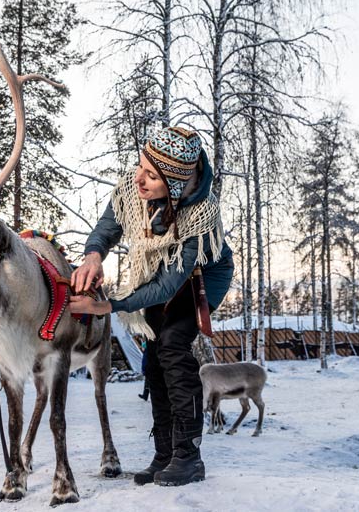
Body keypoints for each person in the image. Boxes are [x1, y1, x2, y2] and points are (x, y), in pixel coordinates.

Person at [70, 126, 234, 487]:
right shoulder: (134, 188)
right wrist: (93, 256)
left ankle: (189, 456)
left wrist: (109, 306)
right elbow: (106, 228)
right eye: (141, 166)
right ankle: (164, 453)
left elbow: (165, 287)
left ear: (175, 186)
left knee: (173, 345)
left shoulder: (201, 216)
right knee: (154, 355)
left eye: (152, 176)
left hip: (200, 276)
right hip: (159, 271)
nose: (139, 179)